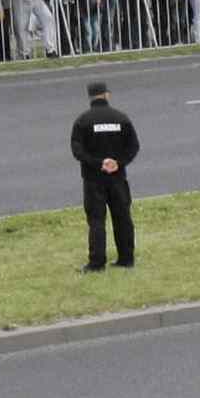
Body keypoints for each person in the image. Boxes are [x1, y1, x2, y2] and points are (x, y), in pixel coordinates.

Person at [70, 79, 137, 272]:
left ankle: (97, 263)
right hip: (117, 178)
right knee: (122, 217)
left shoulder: (82, 121)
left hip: (93, 180)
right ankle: (126, 258)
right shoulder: (121, 118)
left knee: (97, 221)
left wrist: (99, 163)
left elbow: (77, 151)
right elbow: (133, 146)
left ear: (90, 97)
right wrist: (118, 163)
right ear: (107, 95)